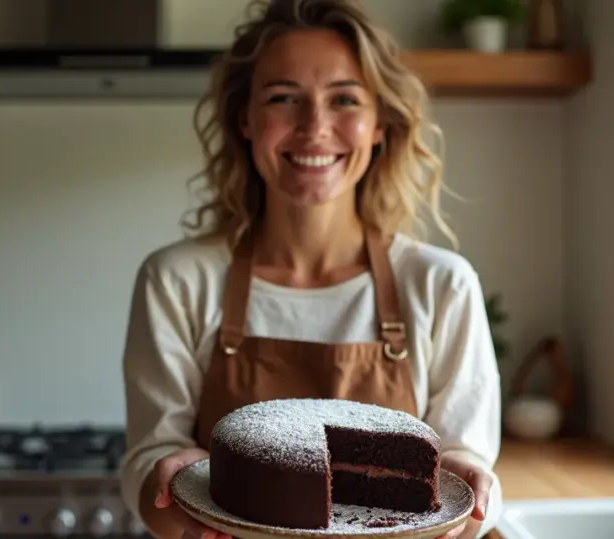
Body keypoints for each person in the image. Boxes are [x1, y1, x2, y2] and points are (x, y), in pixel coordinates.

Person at [119, 0, 504, 538]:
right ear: (246, 120)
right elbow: (150, 463)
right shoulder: (178, 280)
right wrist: (172, 492)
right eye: (283, 98)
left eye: (344, 99)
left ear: (379, 124)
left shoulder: (441, 284)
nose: (315, 127)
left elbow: (472, 473)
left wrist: (470, 491)